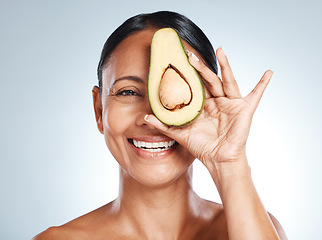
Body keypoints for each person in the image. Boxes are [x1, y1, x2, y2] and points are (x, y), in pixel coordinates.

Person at [33, 11, 287, 239]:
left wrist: (230, 163)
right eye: (129, 92)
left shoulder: (258, 230)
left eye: (175, 90)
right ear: (99, 110)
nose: (154, 119)